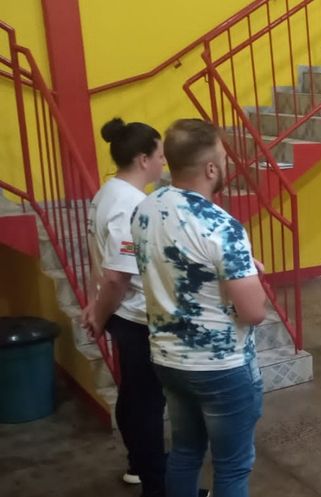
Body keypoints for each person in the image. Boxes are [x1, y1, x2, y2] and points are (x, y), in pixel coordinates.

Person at [132, 119, 267, 497]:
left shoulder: (146, 208)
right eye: (223, 158)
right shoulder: (222, 226)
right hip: (221, 367)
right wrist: (251, 279)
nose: (225, 164)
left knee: (185, 452)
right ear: (210, 168)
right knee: (232, 466)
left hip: (168, 358)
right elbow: (253, 312)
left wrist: (234, 272)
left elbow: (177, 264)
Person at [82, 117, 167, 497]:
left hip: (124, 314)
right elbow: (117, 275)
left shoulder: (107, 193)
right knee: (146, 403)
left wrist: (94, 303)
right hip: (135, 318)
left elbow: (98, 261)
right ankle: (159, 487)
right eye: (159, 156)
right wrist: (99, 314)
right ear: (142, 159)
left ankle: (139, 465)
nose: (163, 162)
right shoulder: (131, 204)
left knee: (134, 395)